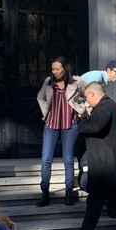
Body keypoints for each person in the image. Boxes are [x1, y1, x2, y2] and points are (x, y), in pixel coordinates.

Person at [55, 82, 116, 230]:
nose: (86, 101)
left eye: (87, 97)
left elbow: (94, 127)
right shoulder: (107, 106)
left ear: (93, 94)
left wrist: (81, 120)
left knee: (94, 204)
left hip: (106, 167)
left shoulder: (105, 106)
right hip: (108, 166)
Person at [35, 57, 85, 207]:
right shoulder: (49, 82)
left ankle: (68, 193)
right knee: (46, 159)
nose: (54, 72)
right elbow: (40, 97)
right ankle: (45, 193)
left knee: (68, 160)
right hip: (51, 124)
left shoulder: (76, 82)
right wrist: (45, 111)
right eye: (53, 69)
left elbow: (90, 93)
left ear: (65, 68)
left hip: (69, 124)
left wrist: (81, 110)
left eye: (57, 69)